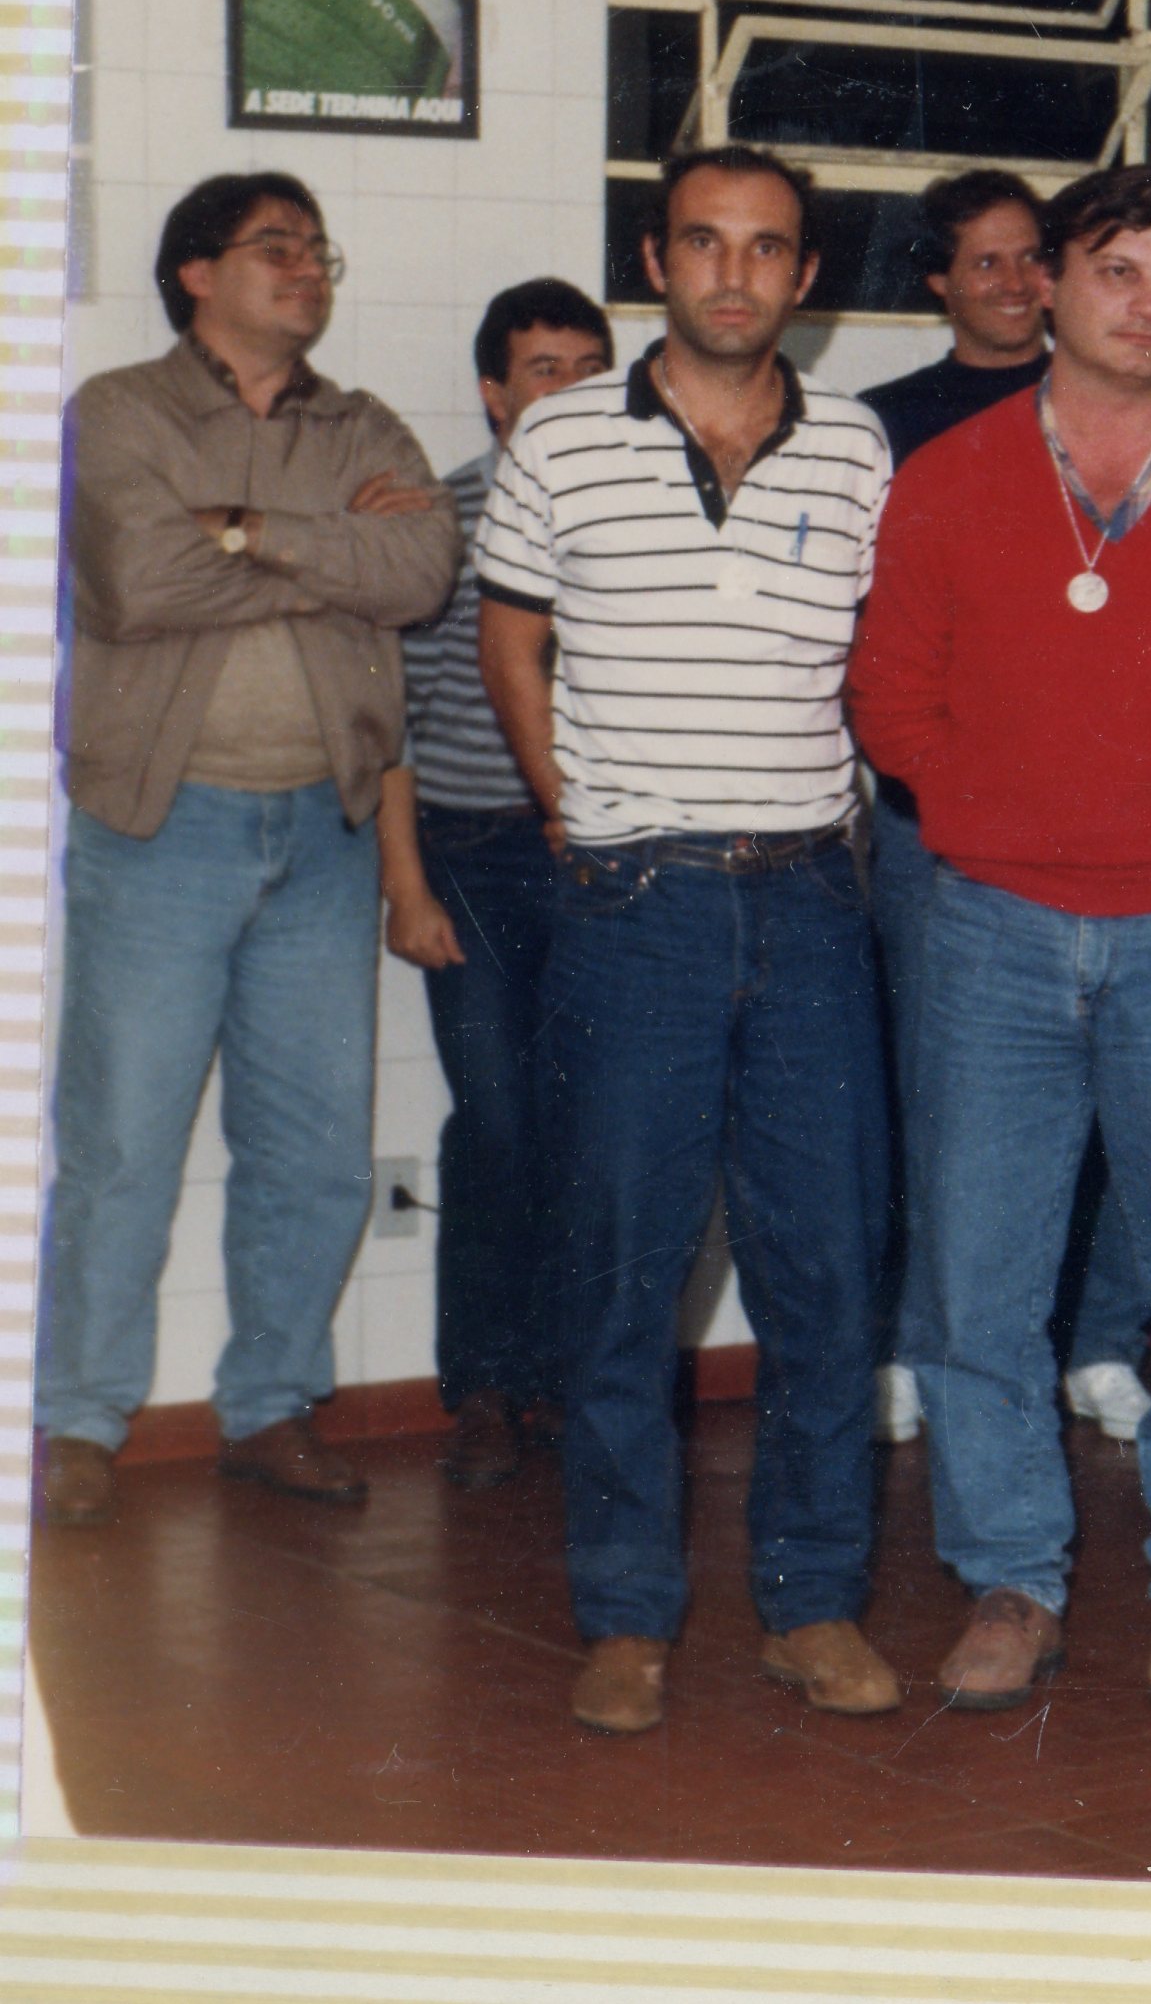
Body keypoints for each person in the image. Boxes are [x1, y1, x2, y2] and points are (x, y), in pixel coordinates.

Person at [848, 163, 1151, 1716]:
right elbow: (890, 694)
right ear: (1049, 287)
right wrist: (997, 817)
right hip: (989, 925)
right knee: (981, 1275)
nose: (1147, 303)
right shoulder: (949, 476)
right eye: (1117, 271)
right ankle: (1011, 1573)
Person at [476, 143, 900, 1737]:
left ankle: (812, 1601)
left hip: (808, 904)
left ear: (805, 275)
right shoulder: (562, 437)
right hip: (632, 907)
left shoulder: (856, 447)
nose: (735, 272)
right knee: (618, 1271)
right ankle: (625, 1613)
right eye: (705, 242)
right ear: (656, 260)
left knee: (826, 1268)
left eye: (767, 246)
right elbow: (509, 633)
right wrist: (566, 806)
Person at [42, 174, 459, 1530]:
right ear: (194, 273)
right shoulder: (120, 411)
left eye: (316, 247)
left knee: (316, 1148)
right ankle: (76, 1419)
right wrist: (336, 546)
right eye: (273, 245)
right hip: (162, 829)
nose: (305, 266)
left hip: (325, 834)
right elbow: (137, 581)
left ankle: (270, 1406)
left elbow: (421, 572)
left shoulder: (362, 421)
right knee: (123, 1142)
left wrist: (243, 527)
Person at [856, 171, 1151, 1450]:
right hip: (943, 830)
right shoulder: (885, 427)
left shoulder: (1115, 409)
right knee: (945, 1103)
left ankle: (1098, 1341)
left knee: (1117, 1102)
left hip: (1105, 828)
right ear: (937, 279)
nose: (1016, 284)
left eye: (1033, 257)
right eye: (984, 262)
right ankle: (922, 1342)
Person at [378, 278, 615, 1490]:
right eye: (543, 368)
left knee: (595, 1122)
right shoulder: (443, 522)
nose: (568, 389)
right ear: (493, 392)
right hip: (470, 856)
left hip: (604, 864)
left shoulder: (638, 513)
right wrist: (405, 885)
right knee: (498, 1119)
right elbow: (393, 723)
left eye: (589, 366)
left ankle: (572, 1382)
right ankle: (483, 1382)